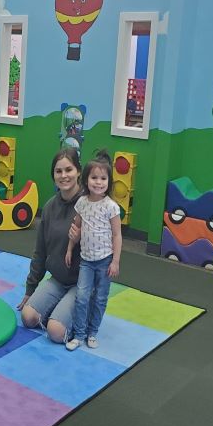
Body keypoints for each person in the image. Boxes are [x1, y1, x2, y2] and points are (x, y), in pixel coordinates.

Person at [16, 147, 85, 344]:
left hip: (82, 284)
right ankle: (60, 310)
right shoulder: (49, 208)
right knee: (28, 317)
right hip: (58, 280)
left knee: (55, 332)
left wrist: (83, 237)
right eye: (58, 171)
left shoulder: (88, 206)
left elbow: (104, 250)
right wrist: (30, 289)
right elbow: (40, 252)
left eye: (69, 170)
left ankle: (82, 315)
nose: (64, 176)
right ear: (53, 175)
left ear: (78, 172)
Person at [64, 149, 122, 350]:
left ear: (109, 181)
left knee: (100, 298)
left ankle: (93, 332)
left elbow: (117, 235)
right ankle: (79, 334)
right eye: (94, 177)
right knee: (82, 296)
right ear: (86, 180)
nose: (98, 182)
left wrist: (115, 261)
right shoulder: (82, 203)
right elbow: (76, 228)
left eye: (103, 178)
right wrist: (70, 249)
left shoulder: (111, 207)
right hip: (86, 261)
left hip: (105, 260)